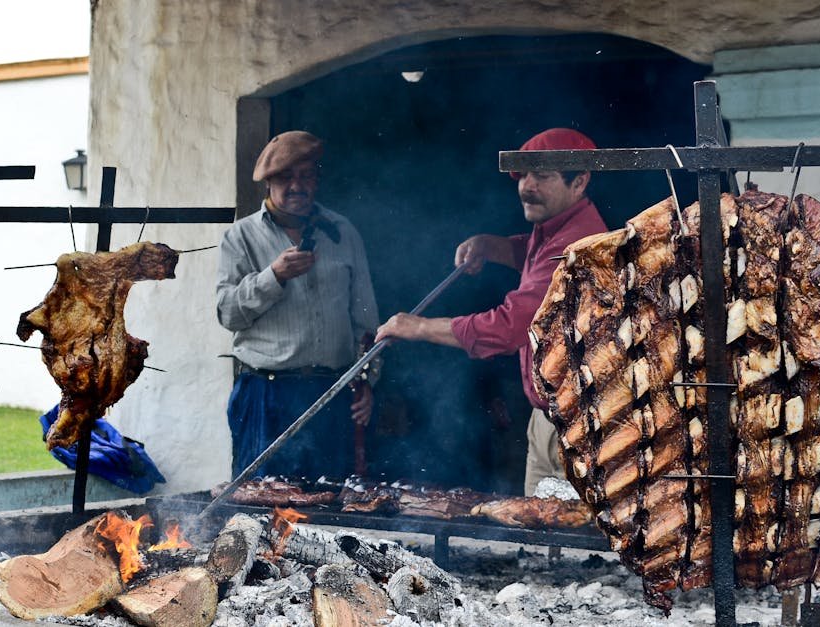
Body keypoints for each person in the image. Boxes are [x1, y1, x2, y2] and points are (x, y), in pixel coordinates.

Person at [375, 128, 608, 495]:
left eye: (542, 177)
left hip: (576, 428)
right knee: (542, 540)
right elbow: (535, 260)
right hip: (549, 420)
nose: (526, 186)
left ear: (579, 182)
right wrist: (493, 247)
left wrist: (417, 327)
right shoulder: (553, 230)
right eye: (522, 175)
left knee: (569, 542)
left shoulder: (574, 244)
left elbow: (511, 327)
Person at [217, 130, 379, 479]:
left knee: (330, 504)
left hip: (330, 392)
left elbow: (365, 320)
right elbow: (227, 313)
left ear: (317, 180)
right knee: (258, 507)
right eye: (286, 177)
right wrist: (272, 276)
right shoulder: (240, 237)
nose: (297, 186)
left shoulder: (343, 232)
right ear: (268, 184)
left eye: (306, 176)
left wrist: (366, 379)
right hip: (265, 395)